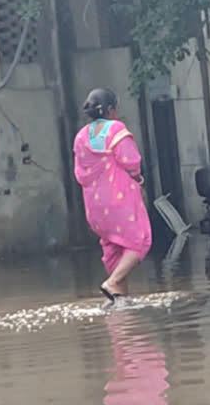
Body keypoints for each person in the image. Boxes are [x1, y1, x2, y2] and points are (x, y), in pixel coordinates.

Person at [73, 88, 152, 303]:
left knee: (113, 249)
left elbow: (79, 172)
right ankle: (113, 282)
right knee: (140, 240)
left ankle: (118, 299)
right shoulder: (116, 129)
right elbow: (132, 162)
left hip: (96, 208)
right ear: (110, 109)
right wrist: (137, 180)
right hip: (119, 202)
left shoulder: (80, 137)